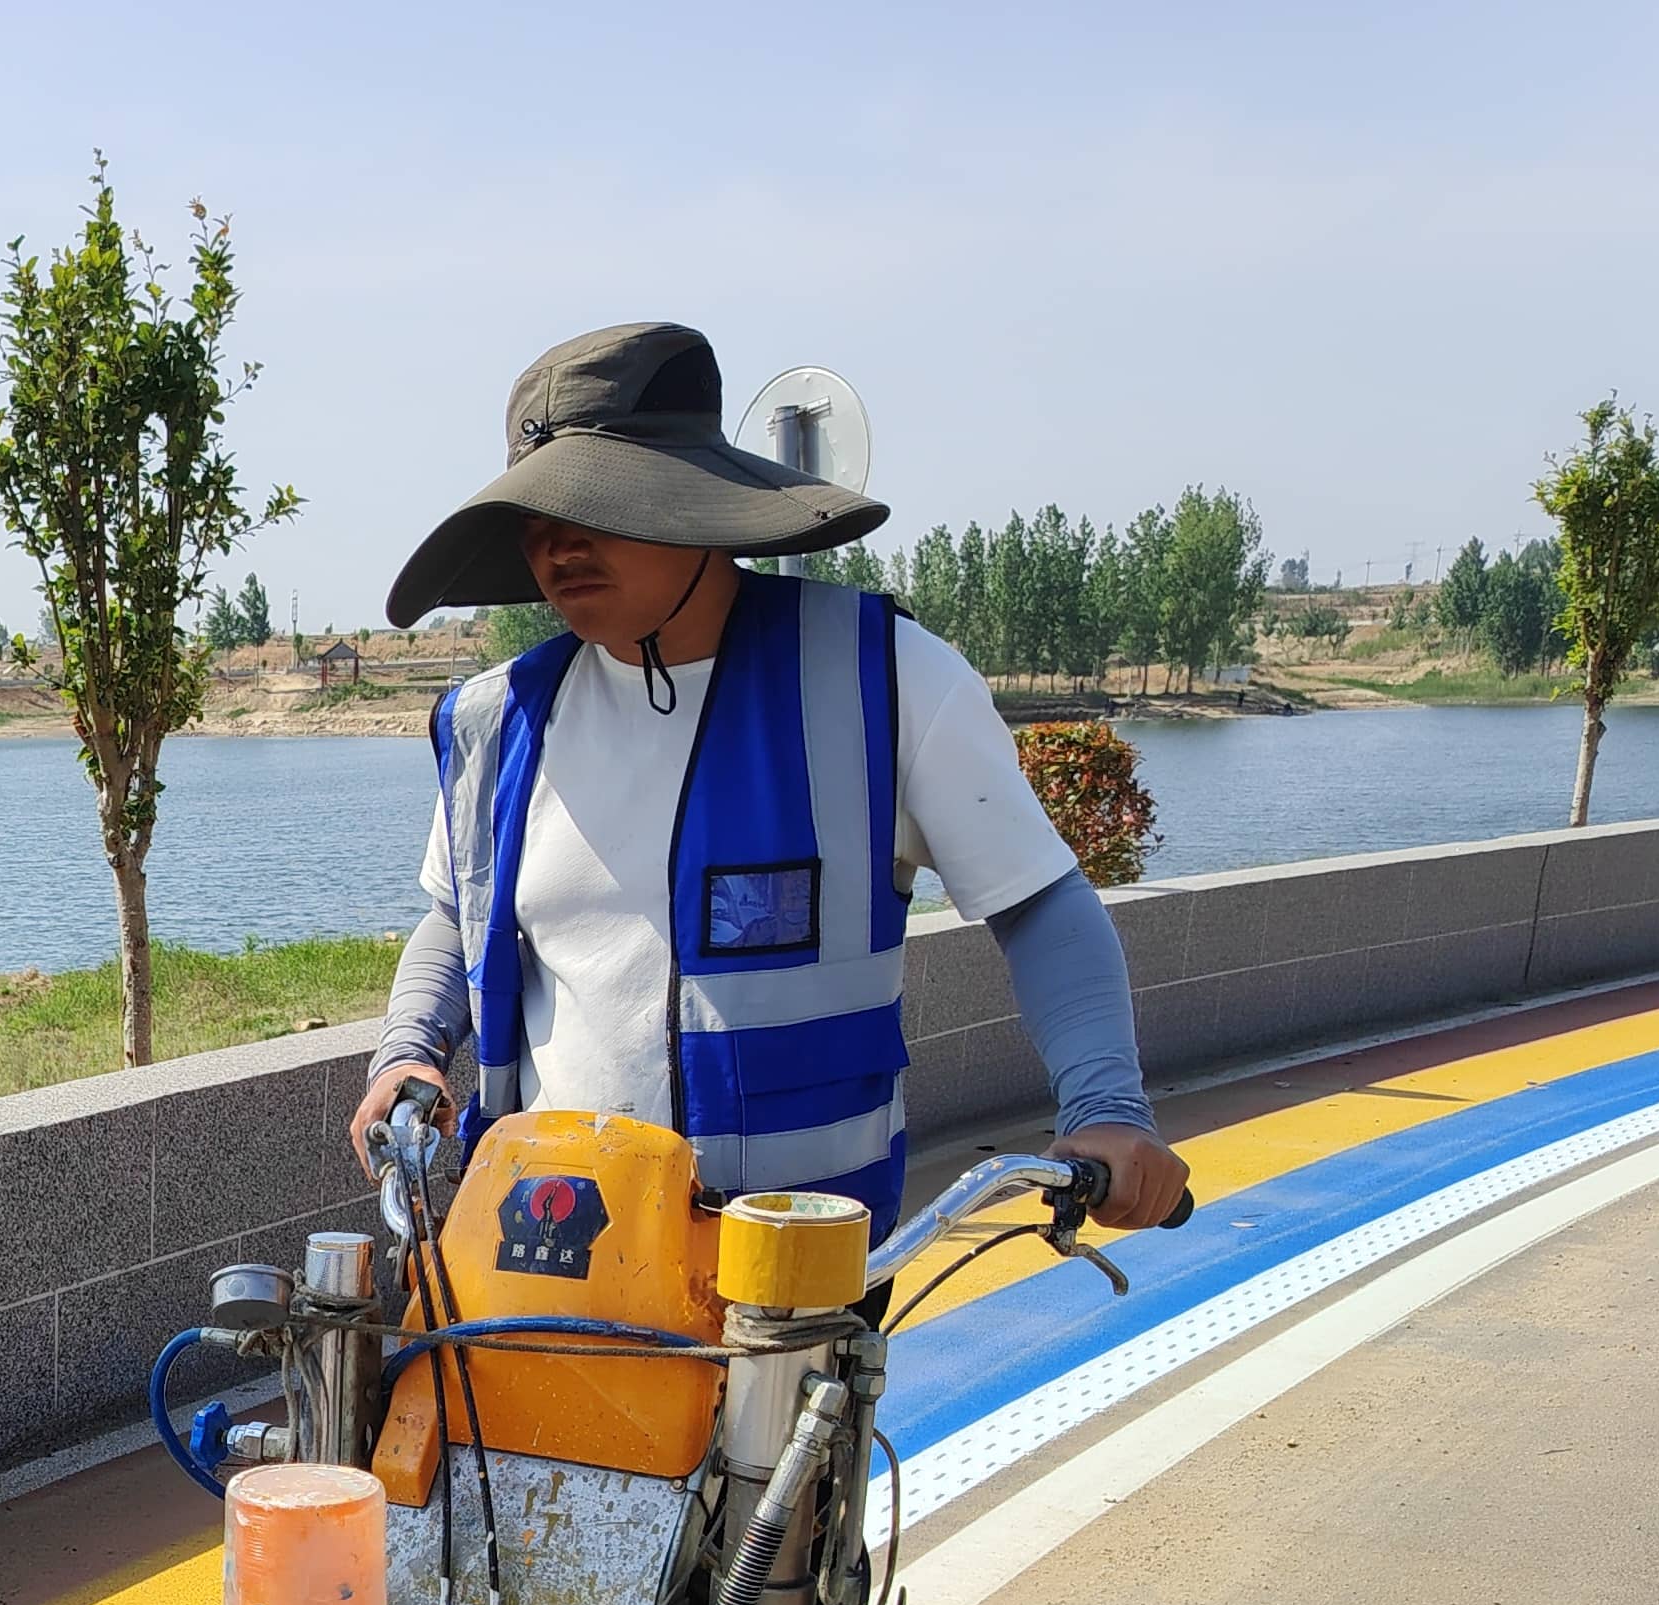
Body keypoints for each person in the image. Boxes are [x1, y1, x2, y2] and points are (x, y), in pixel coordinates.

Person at [347, 322, 1190, 1244]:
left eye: (595, 505)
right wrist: (407, 1052)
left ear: (693, 501)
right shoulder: (495, 722)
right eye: (536, 518)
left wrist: (1108, 1106)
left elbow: (1038, 905)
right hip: (541, 1249)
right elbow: (455, 920)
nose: (559, 547)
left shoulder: (882, 680)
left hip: (800, 1268)